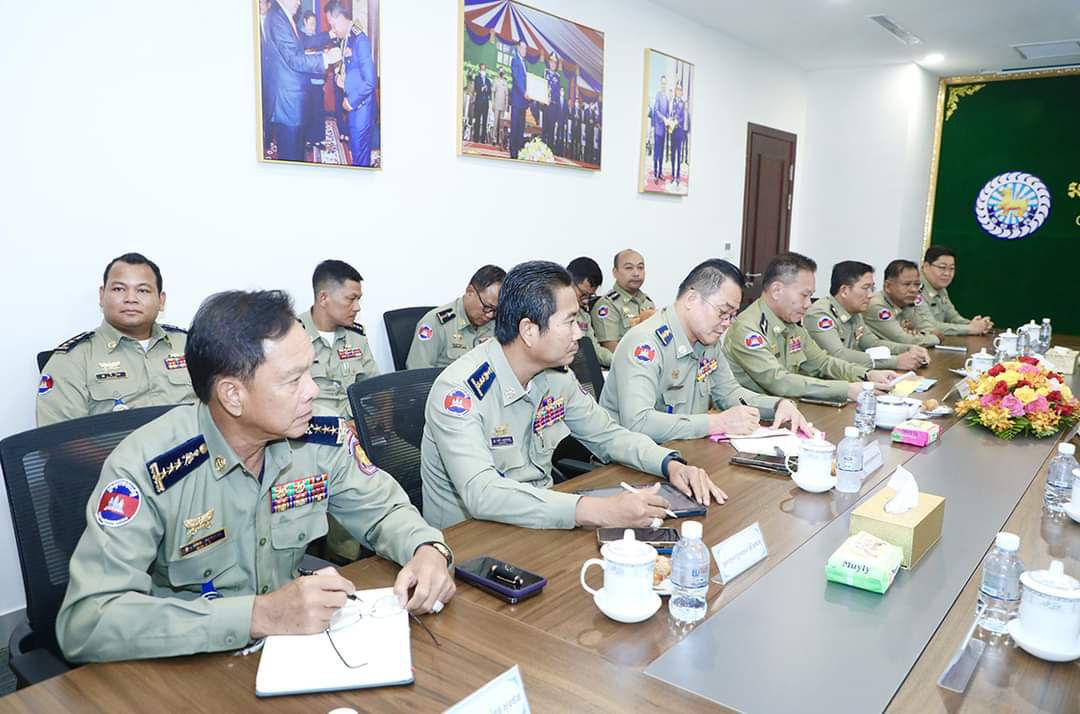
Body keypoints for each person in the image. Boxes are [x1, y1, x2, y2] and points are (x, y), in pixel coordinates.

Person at [56, 290, 454, 663]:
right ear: (233, 395)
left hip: (294, 651)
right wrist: (259, 615)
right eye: (293, 380)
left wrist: (427, 550)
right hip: (190, 661)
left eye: (310, 372)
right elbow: (87, 621)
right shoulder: (149, 467)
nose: (313, 391)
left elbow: (385, 511)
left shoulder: (319, 435)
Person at [420, 261, 725, 530]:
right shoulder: (460, 392)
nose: (579, 333)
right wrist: (600, 511)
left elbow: (609, 436)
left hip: (542, 519)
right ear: (528, 330)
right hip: (470, 538)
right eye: (569, 322)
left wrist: (670, 464)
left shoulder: (555, 376)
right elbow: (483, 494)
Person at [601, 259, 812, 443]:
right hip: (630, 463)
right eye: (723, 312)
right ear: (692, 299)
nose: (727, 323)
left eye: (732, 315)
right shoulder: (645, 343)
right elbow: (638, 422)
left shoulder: (708, 341)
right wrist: (717, 423)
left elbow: (729, 393)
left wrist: (777, 405)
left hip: (685, 449)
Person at [37, 253, 195, 427]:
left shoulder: (191, 345)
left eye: (143, 290)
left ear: (161, 300)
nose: (130, 299)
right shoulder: (70, 360)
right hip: (117, 446)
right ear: (101, 295)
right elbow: (61, 436)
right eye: (119, 289)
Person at [724, 253, 896, 402]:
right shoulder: (748, 330)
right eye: (804, 295)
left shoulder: (791, 324)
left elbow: (822, 362)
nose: (808, 304)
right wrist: (848, 389)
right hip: (754, 416)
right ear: (777, 290)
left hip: (788, 409)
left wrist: (866, 374)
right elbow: (780, 382)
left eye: (810, 296)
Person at [805, 261, 931, 371]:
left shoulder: (854, 312)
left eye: (872, 288)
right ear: (844, 291)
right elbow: (839, 355)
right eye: (865, 288)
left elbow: (872, 343)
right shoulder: (820, 315)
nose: (870, 295)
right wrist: (895, 361)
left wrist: (909, 349)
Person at [298, 260, 379, 417]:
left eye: (358, 299)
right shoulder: (290, 337)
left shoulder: (356, 338)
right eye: (350, 299)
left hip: (355, 426)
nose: (357, 307)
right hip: (313, 429)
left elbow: (377, 388)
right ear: (323, 298)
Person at [263, 0, 342, 162]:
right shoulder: (277, 18)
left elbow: (304, 40)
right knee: (291, 157)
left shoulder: (283, 16)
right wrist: (325, 59)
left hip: (292, 102)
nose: (299, 3)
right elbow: (294, 59)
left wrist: (330, 34)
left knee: (297, 153)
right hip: (287, 105)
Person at [406, 265, 506, 370]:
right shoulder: (435, 323)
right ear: (470, 291)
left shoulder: (499, 324)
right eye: (487, 307)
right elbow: (417, 372)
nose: (490, 315)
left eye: (496, 310)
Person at [326, 3, 376, 168]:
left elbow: (370, 81)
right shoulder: (347, 38)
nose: (333, 30)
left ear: (341, 18)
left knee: (360, 155)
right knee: (356, 150)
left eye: (333, 25)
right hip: (355, 105)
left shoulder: (359, 40)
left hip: (361, 106)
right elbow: (351, 69)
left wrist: (351, 101)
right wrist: (342, 80)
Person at [915, 246, 993, 337]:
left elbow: (953, 317)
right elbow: (930, 326)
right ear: (926, 266)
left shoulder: (940, 287)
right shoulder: (914, 288)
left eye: (951, 268)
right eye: (942, 267)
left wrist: (976, 325)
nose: (947, 273)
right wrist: (970, 329)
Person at [864, 260, 941, 347]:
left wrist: (920, 334)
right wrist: (934, 338)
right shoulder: (876, 306)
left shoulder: (906, 303)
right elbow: (905, 340)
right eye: (907, 284)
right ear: (888, 286)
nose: (914, 290)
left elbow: (931, 329)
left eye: (917, 284)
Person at [591, 249, 656, 353]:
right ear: (615, 272)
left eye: (640, 267)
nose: (636, 273)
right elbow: (611, 349)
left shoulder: (647, 302)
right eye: (629, 268)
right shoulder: (607, 305)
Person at [566, 257, 612, 368]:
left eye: (590, 296)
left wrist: (617, 360)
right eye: (583, 294)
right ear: (568, 282)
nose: (586, 301)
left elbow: (594, 350)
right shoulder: (548, 312)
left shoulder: (583, 316)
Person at [509, 40, 529, 160]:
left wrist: (529, 92)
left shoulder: (525, 64)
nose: (524, 51)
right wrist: (524, 92)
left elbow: (527, 81)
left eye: (526, 49)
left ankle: (519, 151)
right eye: (523, 48)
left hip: (523, 102)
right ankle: (513, 152)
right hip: (517, 100)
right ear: (518, 48)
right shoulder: (515, 60)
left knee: (521, 128)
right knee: (515, 126)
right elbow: (517, 79)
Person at [651, 75, 670, 182]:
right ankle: (655, 174)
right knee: (656, 152)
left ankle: (660, 173)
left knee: (662, 152)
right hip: (658, 129)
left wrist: (668, 119)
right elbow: (656, 110)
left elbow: (667, 112)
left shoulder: (666, 97)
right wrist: (663, 118)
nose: (663, 85)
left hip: (664, 129)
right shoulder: (658, 95)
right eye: (662, 83)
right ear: (660, 84)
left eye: (665, 83)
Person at [670, 82, 688, 187]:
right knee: (672, 155)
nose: (678, 91)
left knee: (678, 155)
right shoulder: (673, 102)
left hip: (679, 133)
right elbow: (671, 114)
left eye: (680, 89)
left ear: (682, 92)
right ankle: (672, 175)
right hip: (672, 132)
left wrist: (677, 121)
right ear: (675, 90)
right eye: (677, 89)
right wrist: (671, 120)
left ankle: (677, 176)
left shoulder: (682, 103)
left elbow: (682, 118)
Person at [543, 55, 560, 151]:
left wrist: (551, 99)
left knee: (551, 130)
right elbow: (542, 87)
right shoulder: (545, 73)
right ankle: (542, 150)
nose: (553, 64)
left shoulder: (558, 77)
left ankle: (549, 151)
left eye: (555, 63)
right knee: (544, 129)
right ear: (549, 62)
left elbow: (557, 93)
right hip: (545, 105)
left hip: (553, 106)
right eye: (551, 62)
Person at [472, 64, 492, 144]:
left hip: (485, 103)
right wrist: (481, 88)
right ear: (480, 70)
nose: (483, 71)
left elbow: (490, 91)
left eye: (484, 70)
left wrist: (487, 89)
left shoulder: (488, 80)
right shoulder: (477, 78)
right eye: (482, 69)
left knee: (484, 121)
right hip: (479, 102)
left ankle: (483, 139)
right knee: (477, 120)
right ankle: (476, 138)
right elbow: (476, 88)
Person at [492, 70, 509, 149]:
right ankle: (494, 139)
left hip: (502, 105)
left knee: (501, 124)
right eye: (500, 71)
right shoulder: (496, 81)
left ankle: (500, 140)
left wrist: (506, 105)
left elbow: (507, 95)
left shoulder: (505, 82)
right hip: (497, 104)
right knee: (496, 122)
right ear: (498, 73)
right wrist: (493, 103)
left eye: (502, 72)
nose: (501, 73)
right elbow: (493, 92)